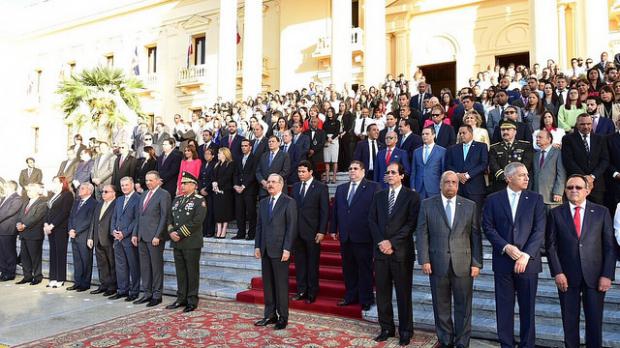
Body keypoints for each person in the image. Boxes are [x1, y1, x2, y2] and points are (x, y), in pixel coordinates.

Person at [546, 175, 616, 348]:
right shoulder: (555, 213)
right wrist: (558, 272)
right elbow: (551, 246)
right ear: (565, 191)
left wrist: (607, 275)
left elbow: (609, 246)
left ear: (587, 190)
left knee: (594, 322)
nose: (574, 190)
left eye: (578, 187)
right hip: (567, 277)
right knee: (569, 322)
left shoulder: (602, 212)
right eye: (570, 188)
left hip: (595, 276)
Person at [482, 162, 545, 348]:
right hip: (503, 262)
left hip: (528, 263)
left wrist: (526, 254)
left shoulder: (535, 199)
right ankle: (506, 344)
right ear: (508, 178)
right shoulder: (493, 199)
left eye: (527, 175)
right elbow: (488, 227)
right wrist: (505, 247)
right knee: (504, 309)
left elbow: (539, 229)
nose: (527, 178)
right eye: (521, 175)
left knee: (528, 310)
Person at [416, 171, 482, 348]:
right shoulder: (427, 204)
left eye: (454, 182)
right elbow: (422, 233)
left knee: (464, 308)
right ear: (440, 184)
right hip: (437, 264)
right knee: (441, 306)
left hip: (464, 265)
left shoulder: (470, 206)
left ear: (458, 185)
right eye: (447, 182)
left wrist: (476, 263)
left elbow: (475, 236)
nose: (450, 185)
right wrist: (424, 259)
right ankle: (445, 341)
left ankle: (462, 343)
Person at [368, 162, 419, 346]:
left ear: (401, 176)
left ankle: (406, 331)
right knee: (382, 293)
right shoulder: (379, 196)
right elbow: (372, 220)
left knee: (403, 294)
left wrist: (392, 242)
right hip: (381, 252)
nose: (389, 175)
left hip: (401, 253)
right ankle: (386, 328)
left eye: (393, 172)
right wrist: (381, 242)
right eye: (387, 172)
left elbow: (411, 224)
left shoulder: (412, 197)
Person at [329, 160, 380, 311]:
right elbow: (335, 210)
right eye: (350, 168)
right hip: (345, 236)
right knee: (348, 268)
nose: (352, 171)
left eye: (356, 168)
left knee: (364, 268)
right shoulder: (341, 188)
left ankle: (366, 298)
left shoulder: (373, 187)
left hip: (364, 235)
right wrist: (333, 229)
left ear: (363, 171)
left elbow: (376, 213)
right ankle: (351, 296)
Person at [253, 174, 297, 330]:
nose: (270, 184)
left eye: (273, 182)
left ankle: (283, 317)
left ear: (281, 184)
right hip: (265, 249)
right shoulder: (264, 202)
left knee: (280, 286)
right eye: (268, 182)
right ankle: (269, 315)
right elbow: (259, 226)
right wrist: (257, 246)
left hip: (280, 251)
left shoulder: (289, 202)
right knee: (268, 285)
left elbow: (291, 228)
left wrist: (287, 248)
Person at [165, 172, 207, 313]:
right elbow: (170, 218)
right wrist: (171, 232)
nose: (182, 185)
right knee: (180, 272)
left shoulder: (199, 200)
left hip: (191, 242)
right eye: (181, 183)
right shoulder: (177, 200)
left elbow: (197, 221)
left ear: (193, 185)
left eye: (185, 183)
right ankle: (181, 298)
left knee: (191, 272)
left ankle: (192, 300)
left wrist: (180, 233)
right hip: (177, 242)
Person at [130, 171, 171, 306]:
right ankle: (147, 293)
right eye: (146, 180)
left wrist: (158, 235)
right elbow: (139, 216)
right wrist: (135, 234)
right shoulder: (144, 194)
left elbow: (164, 217)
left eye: (151, 180)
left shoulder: (164, 194)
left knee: (156, 266)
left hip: (154, 237)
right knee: (145, 267)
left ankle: (157, 295)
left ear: (158, 181)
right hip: (142, 236)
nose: (148, 183)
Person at [291, 161, 329, 304]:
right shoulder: (295, 187)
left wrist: (321, 231)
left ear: (311, 172)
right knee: (300, 264)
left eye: (303, 172)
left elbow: (325, 211)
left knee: (312, 264)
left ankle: (312, 292)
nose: (300, 174)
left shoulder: (320, 187)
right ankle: (301, 291)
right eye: (299, 172)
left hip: (313, 232)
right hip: (297, 232)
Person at [561, 113, 609, 205]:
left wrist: (592, 176)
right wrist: (584, 178)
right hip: (576, 185)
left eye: (588, 124)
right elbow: (568, 161)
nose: (586, 126)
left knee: (596, 214)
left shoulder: (600, 139)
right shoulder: (568, 139)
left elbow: (605, 160)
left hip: (596, 184)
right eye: (582, 124)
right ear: (577, 125)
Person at [109, 176, 141, 302]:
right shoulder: (119, 199)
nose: (124, 187)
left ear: (132, 185)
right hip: (117, 238)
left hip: (128, 238)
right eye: (122, 185)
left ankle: (134, 291)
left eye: (126, 185)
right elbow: (114, 217)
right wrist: (113, 231)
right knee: (120, 266)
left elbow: (136, 219)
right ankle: (122, 290)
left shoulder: (138, 198)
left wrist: (125, 233)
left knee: (133, 266)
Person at [43, 176, 74, 288]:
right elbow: (47, 210)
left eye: (55, 182)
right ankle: (53, 278)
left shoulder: (67, 195)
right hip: (50, 228)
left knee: (60, 253)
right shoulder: (52, 195)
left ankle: (60, 278)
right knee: (53, 253)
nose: (53, 183)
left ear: (62, 183)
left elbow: (64, 212)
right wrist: (46, 224)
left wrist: (52, 225)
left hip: (60, 228)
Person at [87, 184, 117, 296]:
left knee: (112, 263)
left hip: (109, 238)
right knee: (101, 264)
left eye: (106, 192)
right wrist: (90, 237)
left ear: (113, 193)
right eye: (103, 191)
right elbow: (94, 222)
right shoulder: (99, 205)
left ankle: (113, 286)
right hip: (97, 238)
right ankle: (104, 284)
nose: (103, 193)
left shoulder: (116, 204)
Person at [15, 183, 48, 285]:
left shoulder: (42, 202)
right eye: (28, 190)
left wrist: (24, 225)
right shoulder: (26, 202)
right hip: (24, 234)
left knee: (35, 257)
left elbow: (36, 217)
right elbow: (20, 215)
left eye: (31, 190)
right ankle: (27, 276)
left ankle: (37, 277)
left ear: (37, 191)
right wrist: (18, 223)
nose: (28, 192)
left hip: (34, 234)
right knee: (25, 257)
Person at [66, 183, 97, 292]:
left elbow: (89, 220)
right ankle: (77, 282)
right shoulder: (76, 202)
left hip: (84, 236)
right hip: (74, 235)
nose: (80, 189)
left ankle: (85, 284)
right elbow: (70, 217)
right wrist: (70, 229)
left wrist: (76, 231)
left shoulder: (93, 203)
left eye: (82, 188)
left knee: (86, 261)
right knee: (77, 261)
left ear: (89, 191)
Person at [489, 120, 534, 192]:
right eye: (503, 130)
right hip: (501, 184)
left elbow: (526, 164)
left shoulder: (525, 146)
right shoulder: (494, 148)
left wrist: (515, 176)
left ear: (515, 131)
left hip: (520, 183)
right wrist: (505, 177)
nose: (505, 132)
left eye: (508, 129)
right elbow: (493, 164)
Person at [532, 129, 565, 211]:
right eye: (536, 137)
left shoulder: (558, 153)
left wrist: (558, 192)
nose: (537, 139)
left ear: (549, 139)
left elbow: (561, 174)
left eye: (540, 137)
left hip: (552, 198)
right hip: (537, 198)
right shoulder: (535, 155)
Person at [233, 139, 259, 240]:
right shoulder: (238, 158)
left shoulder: (255, 158)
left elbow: (253, 174)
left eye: (246, 146)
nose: (243, 147)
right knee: (239, 212)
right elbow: (235, 173)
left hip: (249, 190)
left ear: (250, 147)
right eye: (242, 146)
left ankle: (251, 234)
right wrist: (235, 185)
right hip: (238, 190)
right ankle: (241, 233)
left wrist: (243, 186)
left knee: (251, 212)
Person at [410, 127, 445, 198]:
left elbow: (443, 171)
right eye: (423, 134)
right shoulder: (416, 151)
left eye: (427, 134)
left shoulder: (442, 151)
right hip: (418, 188)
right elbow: (413, 171)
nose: (424, 136)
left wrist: (442, 187)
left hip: (435, 187)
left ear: (433, 135)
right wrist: (413, 187)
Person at [0, 181, 22, 281]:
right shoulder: (4, 198)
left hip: (8, 230)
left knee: (9, 252)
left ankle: (10, 273)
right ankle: (4, 271)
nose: (4, 188)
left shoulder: (17, 198)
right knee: (2, 252)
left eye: (5, 186)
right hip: (2, 229)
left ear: (11, 187)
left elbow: (8, 213)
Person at [212, 147, 235, 238]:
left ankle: (224, 229)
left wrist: (218, 184)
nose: (218, 154)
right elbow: (213, 176)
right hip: (216, 191)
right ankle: (218, 228)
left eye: (219, 153)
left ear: (225, 154)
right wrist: (214, 183)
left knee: (225, 210)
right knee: (217, 210)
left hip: (226, 190)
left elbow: (227, 176)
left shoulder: (230, 164)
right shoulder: (217, 164)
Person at [199, 148, 217, 237]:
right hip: (201, 191)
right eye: (205, 154)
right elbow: (199, 178)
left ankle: (210, 231)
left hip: (210, 192)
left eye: (209, 154)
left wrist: (206, 189)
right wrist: (200, 189)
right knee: (203, 212)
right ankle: (203, 230)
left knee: (210, 212)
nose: (206, 155)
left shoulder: (215, 164)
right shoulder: (203, 164)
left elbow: (213, 178)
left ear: (213, 156)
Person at [323, 107, 341, 184]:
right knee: (326, 160)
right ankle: (327, 177)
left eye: (331, 111)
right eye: (328, 111)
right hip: (327, 141)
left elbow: (337, 132)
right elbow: (323, 132)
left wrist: (332, 138)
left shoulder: (337, 122)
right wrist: (327, 138)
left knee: (334, 160)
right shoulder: (325, 123)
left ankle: (334, 177)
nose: (329, 113)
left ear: (333, 112)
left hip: (335, 140)